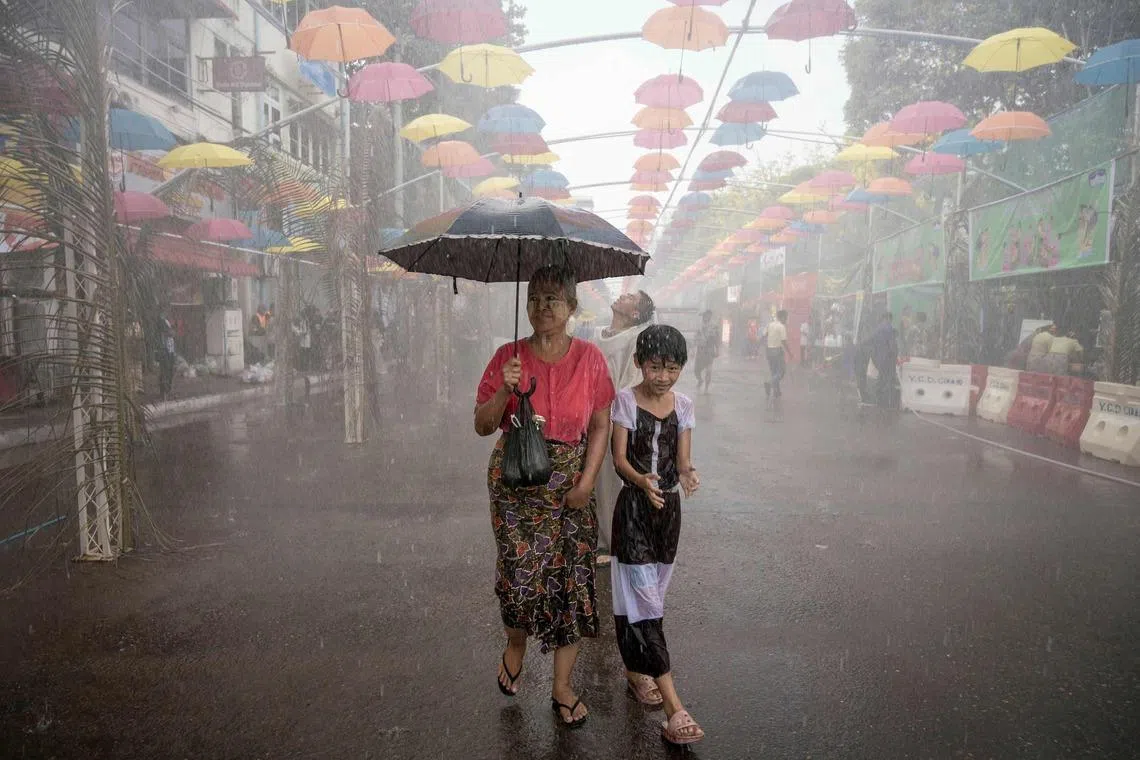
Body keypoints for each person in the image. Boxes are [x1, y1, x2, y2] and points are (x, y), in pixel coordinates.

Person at [474, 265, 615, 729]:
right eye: (534, 298)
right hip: (516, 486)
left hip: (572, 488)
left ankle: (562, 686)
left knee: (573, 585)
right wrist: (504, 391)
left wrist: (588, 481)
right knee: (518, 581)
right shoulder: (506, 357)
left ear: (572, 307)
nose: (541, 307)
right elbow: (481, 423)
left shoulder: (592, 359)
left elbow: (599, 425)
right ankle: (516, 643)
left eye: (553, 299)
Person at [610, 325, 704, 745]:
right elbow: (619, 461)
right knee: (647, 605)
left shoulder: (683, 405)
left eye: (672, 368)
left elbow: (682, 460)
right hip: (633, 509)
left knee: (646, 602)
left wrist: (688, 474)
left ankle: (635, 673)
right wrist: (642, 481)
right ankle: (674, 708)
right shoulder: (625, 401)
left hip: (668, 515)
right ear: (639, 364)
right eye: (654, 367)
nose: (663, 377)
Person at [592, 290, 656, 567]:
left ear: (635, 314)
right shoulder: (596, 334)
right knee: (593, 478)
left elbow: (630, 383)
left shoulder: (634, 339)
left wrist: (609, 407)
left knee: (613, 480)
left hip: (612, 418)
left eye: (630, 297)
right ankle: (598, 536)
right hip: (589, 416)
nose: (622, 296)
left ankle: (617, 541)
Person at [867, 312, 899, 408]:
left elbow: (872, 342)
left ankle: (877, 399)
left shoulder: (877, 329)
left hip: (878, 357)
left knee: (881, 377)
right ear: (888, 318)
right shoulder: (888, 328)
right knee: (887, 379)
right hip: (887, 358)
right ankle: (884, 401)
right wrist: (894, 355)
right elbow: (891, 344)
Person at [764, 310, 792, 399]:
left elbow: (765, 335)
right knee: (781, 372)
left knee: (774, 372)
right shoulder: (781, 327)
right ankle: (770, 383)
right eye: (786, 318)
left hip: (769, 350)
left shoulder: (770, 324)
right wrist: (790, 353)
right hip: (777, 351)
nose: (787, 320)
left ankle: (777, 391)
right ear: (783, 317)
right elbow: (783, 341)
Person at [693, 310, 719, 393]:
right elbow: (695, 338)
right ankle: (700, 380)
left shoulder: (714, 326)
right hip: (700, 351)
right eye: (705, 316)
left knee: (708, 371)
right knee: (696, 370)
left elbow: (717, 339)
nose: (706, 317)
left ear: (710, 316)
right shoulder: (699, 326)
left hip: (709, 351)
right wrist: (692, 350)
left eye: (708, 316)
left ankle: (706, 388)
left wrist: (717, 350)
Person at [156, 314, 176, 400]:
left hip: (170, 352)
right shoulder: (162, 323)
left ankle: (166, 390)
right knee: (165, 372)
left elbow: (172, 333)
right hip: (165, 352)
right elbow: (169, 333)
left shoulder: (166, 321)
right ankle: (164, 391)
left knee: (169, 371)